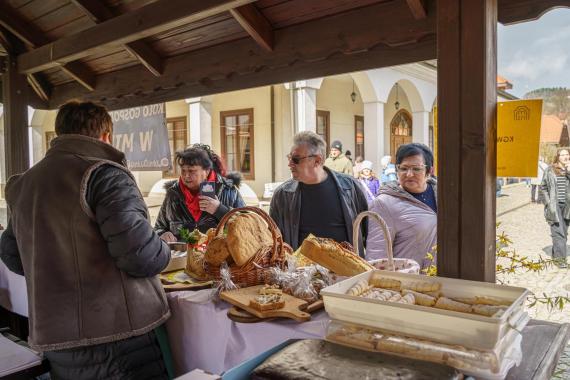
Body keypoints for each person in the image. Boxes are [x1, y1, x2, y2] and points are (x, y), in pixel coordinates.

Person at [0, 101, 171, 379]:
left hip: (56, 334)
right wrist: (165, 249)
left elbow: (11, 254)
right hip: (115, 334)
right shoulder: (104, 173)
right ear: (106, 136)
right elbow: (141, 256)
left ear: (59, 134)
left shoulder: (25, 183)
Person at [270, 131, 368, 255]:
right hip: (300, 273)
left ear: (317, 160)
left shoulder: (351, 187)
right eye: (289, 158)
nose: (290, 164)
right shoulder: (282, 195)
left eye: (295, 159)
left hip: (347, 272)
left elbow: (369, 235)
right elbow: (274, 244)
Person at [366, 143, 437, 270]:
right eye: (403, 168)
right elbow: (376, 257)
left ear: (430, 170)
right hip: (409, 282)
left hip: (441, 279)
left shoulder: (442, 194)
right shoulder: (384, 204)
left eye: (416, 169)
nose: (409, 174)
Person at [155, 144, 245, 242]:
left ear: (206, 171)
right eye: (183, 171)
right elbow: (158, 228)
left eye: (191, 171)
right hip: (182, 256)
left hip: (217, 255)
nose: (186, 176)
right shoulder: (173, 194)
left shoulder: (228, 191)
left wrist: (220, 210)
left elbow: (247, 226)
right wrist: (162, 234)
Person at [540, 148, 570, 268]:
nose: (565, 157)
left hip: (567, 206)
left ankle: (556, 253)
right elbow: (543, 187)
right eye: (562, 155)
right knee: (558, 233)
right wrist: (548, 203)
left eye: (567, 154)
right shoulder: (550, 170)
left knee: (564, 232)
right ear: (558, 157)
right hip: (555, 205)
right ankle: (560, 260)